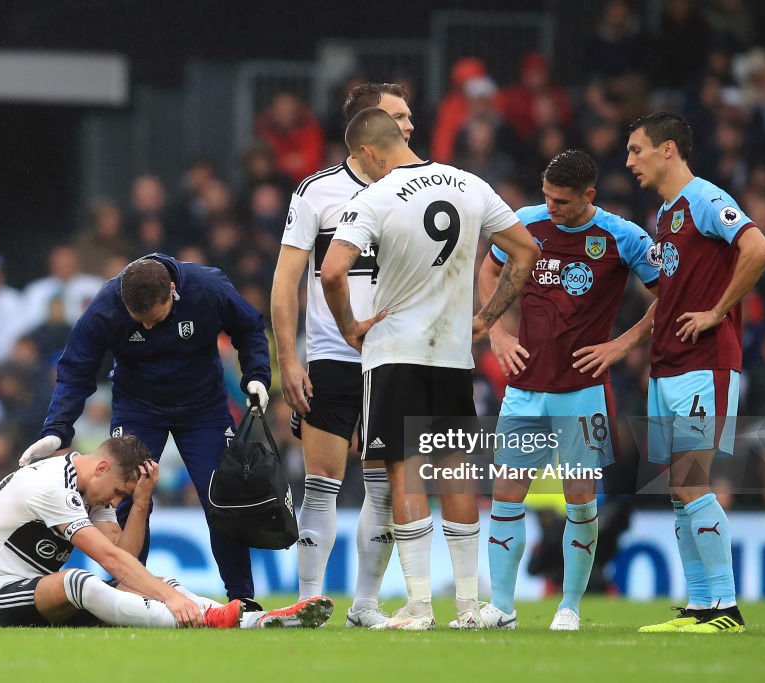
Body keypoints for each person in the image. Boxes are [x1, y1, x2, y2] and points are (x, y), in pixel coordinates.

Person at [322, 108, 540, 630]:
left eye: (360, 160)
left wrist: (350, 325)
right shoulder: (471, 184)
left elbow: (332, 270)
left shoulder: (372, 197)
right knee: (456, 476)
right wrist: (487, 317)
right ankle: (469, 607)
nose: (363, 169)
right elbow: (526, 250)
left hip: (395, 353)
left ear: (370, 151)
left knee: (406, 473)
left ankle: (419, 605)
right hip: (452, 357)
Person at [18, 254, 271, 607]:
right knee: (125, 498)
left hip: (204, 409)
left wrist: (257, 375)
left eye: (155, 318)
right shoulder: (107, 305)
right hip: (138, 410)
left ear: (173, 291)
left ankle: (242, 598)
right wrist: (57, 429)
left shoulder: (207, 287)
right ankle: (127, 593)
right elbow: (76, 367)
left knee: (221, 501)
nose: (148, 328)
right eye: (140, 322)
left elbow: (249, 327)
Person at [476, 149, 659, 631]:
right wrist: (497, 333)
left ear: (589, 196)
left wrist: (621, 345)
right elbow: (489, 270)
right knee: (506, 497)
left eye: (561, 200)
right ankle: (501, 606)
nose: (551, 207)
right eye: (547, 197)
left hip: (583, 391)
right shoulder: (525, 223)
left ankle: (570, 606)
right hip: (526, 387)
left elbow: (670, 296)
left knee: (580, 500)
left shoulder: (622, 236)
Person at [271, 82, 415, 629]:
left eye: (409, 117)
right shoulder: (318, 191)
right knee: (322, 483)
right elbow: (286, 281)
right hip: (332, 356)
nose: (409, 127)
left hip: (395, 356)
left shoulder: (419, 190)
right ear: (368, 128)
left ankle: (365, 605)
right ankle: (308, 599)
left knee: (381, 485)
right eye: (399, 117)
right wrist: (290, 358)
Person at [626, 112, 765, 634]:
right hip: (667, 367)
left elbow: (759, 249)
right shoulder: (665, 215)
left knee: (692, 481)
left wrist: (717, 312)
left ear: (668, 149)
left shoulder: (706, 200)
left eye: (636, 150)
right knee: (676, 487)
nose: (630, 161)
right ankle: (699, 606)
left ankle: (726, 608)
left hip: (703, 364)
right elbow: (670, 296)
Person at [0, 435, 332, 628]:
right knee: (76, 581)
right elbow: (109, 559)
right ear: (100, 468)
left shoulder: (93, 491)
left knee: (158, 583)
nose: (114, 500)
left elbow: (124, 559)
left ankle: (256, 620)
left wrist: (140, 504)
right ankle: (204, 619)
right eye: (117, 492)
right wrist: (174, 602)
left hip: (40, 600)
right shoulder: (52, 486)